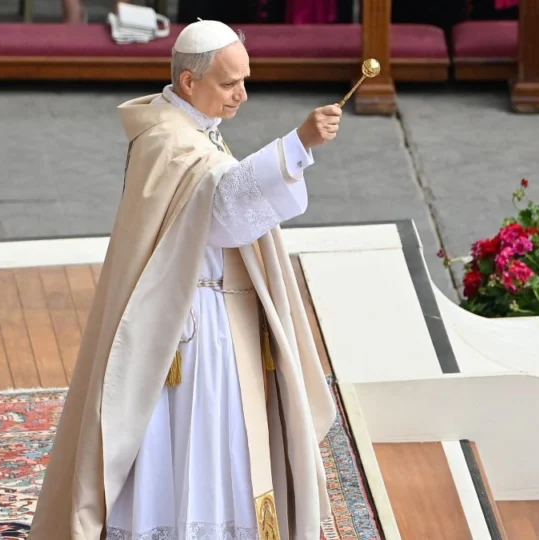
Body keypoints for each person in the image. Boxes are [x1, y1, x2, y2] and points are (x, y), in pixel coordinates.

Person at [28, 19, 340, 540]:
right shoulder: (169, 141)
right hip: (186, 327)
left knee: (219, 438)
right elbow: (222, 209)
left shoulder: (189, 130)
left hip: (211, 310)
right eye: (229, 83)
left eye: (245, 79)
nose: (242, 93)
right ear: (190, 82)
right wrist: (297, 146)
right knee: (195, 434)